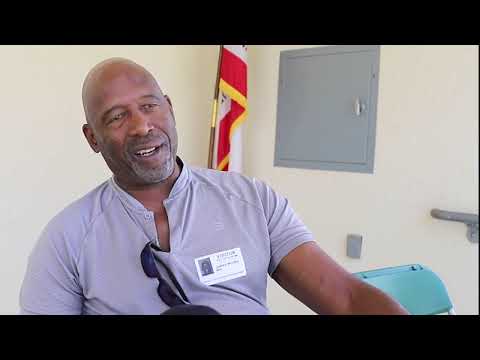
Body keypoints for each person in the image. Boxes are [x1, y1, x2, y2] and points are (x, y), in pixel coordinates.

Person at [19, 58, 408, 315]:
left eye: (150, 105)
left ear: (169, 108)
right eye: (117, 117)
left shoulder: (254, 202)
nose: (141, 126)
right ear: (92, 138)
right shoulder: (66, 239)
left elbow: (346, 297)